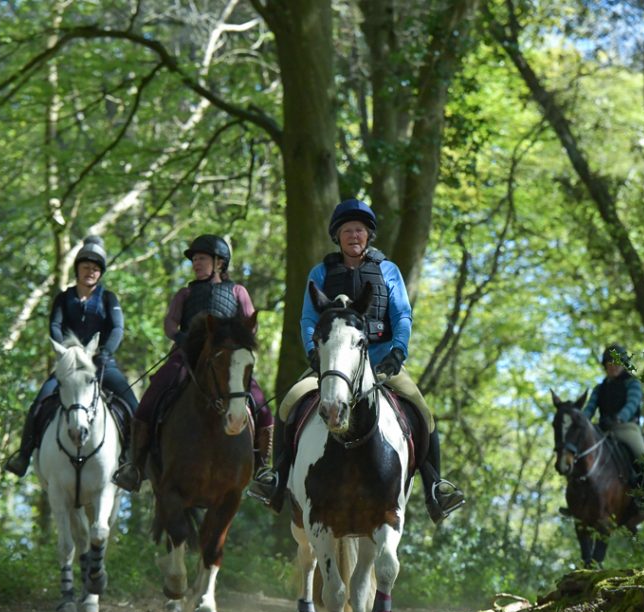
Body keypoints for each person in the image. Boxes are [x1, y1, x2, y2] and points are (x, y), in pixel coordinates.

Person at [248, 198, 465, 523]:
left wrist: (397, 352)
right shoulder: (321, 272)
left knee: (423, 412)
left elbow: (402, 315)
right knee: (288, 403)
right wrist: (313, 351)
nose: (354, 236)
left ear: (368, 235)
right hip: (332, 363)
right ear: (338, 236)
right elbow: (308, 318)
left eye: (360, 230)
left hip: (379, 362)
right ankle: (277, 480)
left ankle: (436, 488)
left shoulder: (387, 270)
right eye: (348, 230)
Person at [111, 234, 274, 492]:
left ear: (219, 262)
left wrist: (233, 341)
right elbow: (170, 323)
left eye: (202, 259)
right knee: (151, 397)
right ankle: (136, 465)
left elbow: (250, 323)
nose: (196, 264)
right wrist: (180, 336)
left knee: (260, 403)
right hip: (186, 355)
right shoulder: (185, 293)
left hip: (226, 358)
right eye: (194, 260)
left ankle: (263, 466)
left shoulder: (237, 291)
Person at [5, 235, 139, 477]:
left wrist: (105, 352)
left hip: (101, 364)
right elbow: (55, 325)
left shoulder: (109, 299)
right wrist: (65, 352)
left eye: (96, 269)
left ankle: (134, 461)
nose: (91, 272)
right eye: (86, 267)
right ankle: (23, 456)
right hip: (69, 365)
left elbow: (118, 328)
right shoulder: (63, 298)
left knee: (132, 405)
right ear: (77, 268)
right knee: (39, 403)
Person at [582, 343, 644, 491]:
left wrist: (619, 418)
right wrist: (581, 420)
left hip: (626, 428)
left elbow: (632, 403)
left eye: (616, 363)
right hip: (602, 429)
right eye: (609, 363)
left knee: (643, 457)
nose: (613, 366)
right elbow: (590, 408)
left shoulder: (632, 383)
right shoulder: (599, 389)